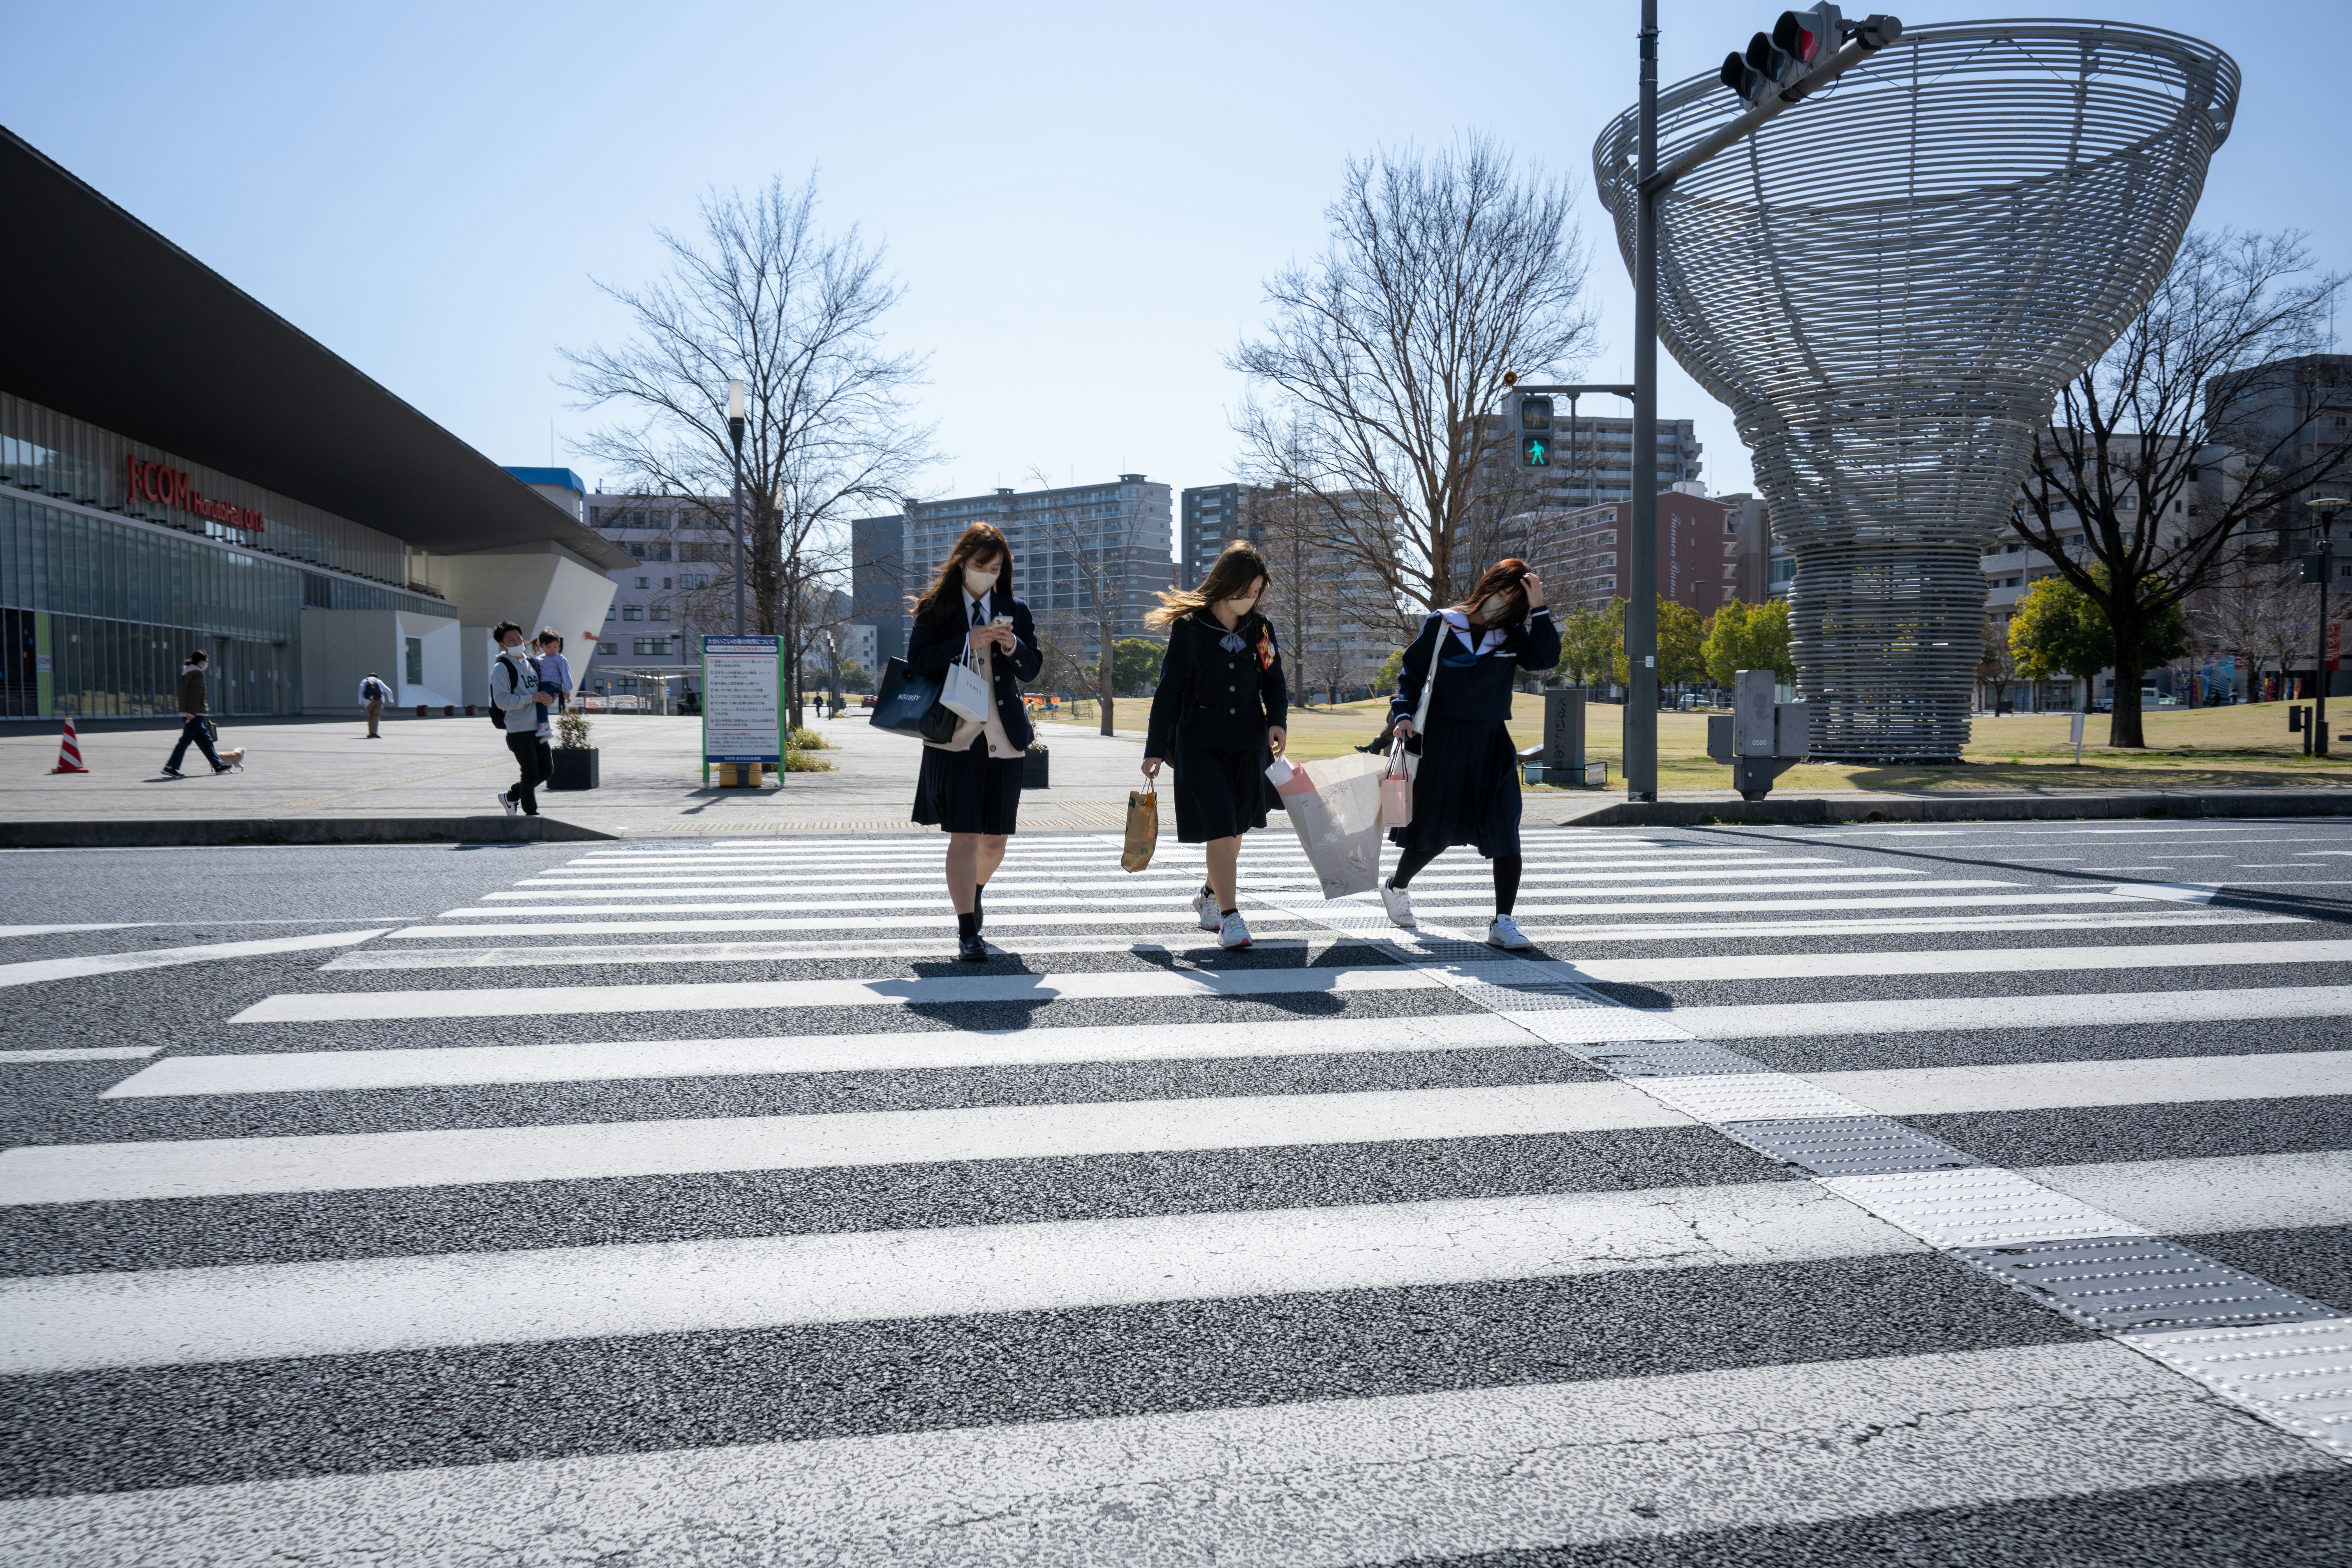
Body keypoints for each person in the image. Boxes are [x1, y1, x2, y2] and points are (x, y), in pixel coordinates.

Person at [1381, 559, 1558, 949]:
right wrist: (1403, 714)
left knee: (1505, 826)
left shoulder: (1512, 635)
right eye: (1505, 593)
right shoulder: (1443, 623)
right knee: (1433, 830)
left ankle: (1502, 921)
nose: (1507, 603)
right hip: (1443, 741)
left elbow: (1545, 659)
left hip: (1492, 742)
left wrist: (1540, 608)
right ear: (1489, 585)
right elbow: (1411, 674)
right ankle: (1396, 885)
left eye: (1518, 598)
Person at [1141, 540, 1288, 950]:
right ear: (1228, 584)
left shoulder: (1260, 630)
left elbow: (1274, 683)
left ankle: (1207, 896)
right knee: (1222, 823)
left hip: (1248, 743)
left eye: (1258, 591)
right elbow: (1168, 690)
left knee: (1237, 828)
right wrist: (1154, 748)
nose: (1252, 598)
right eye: (1247, 589)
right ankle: (1230, 917)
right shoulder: (1189, 628)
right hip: (1200, 743)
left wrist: (1277, 721)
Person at [905, 523, 1041, 962]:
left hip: (1004, 737)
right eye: (981, 565)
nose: (987, 573)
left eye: (996, 566)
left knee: (995, 840)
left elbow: (1032, 667)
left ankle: (975, 891)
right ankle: (967, 929)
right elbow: (918, 661)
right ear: (962, 562)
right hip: (955, 737)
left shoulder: (1014, 608)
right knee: (964, 835)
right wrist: (966, 640)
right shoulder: (937, 609)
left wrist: (1011, 644)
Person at [490, 621, 553, 816]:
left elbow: (538, 692)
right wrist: (531, 698)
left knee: (547, 771)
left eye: (519, 637)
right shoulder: (502, 668)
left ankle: (511, 796)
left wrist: (547, 698)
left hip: (538, 727)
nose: (518, 641)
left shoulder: (531, 663)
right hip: (519, 729)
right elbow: (502, 701)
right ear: (503, 645)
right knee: (531, 773)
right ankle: (531, 815)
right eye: (511, 639)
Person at [162, 650, 230, 778]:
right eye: (207, 662)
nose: (207, 664)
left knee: (206, 740)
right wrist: (192, 714)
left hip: (191, 712)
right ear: (201, 662)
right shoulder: (198, 674)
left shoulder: (187, 672)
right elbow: (194, 695)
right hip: (194, 714)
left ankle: (218, 766)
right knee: (186, 740)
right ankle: (171, 767)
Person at [357, 672, 392, 738]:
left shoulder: (365, 681)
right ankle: (375, 733)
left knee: (370, 717)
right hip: (379, 701)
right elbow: (389, 691)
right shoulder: (379, 681)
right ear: (377, 677)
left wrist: (360, 703)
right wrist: (391, 701)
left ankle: (371, 734)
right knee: (376, 717)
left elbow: (361, 691)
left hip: (368, 702)